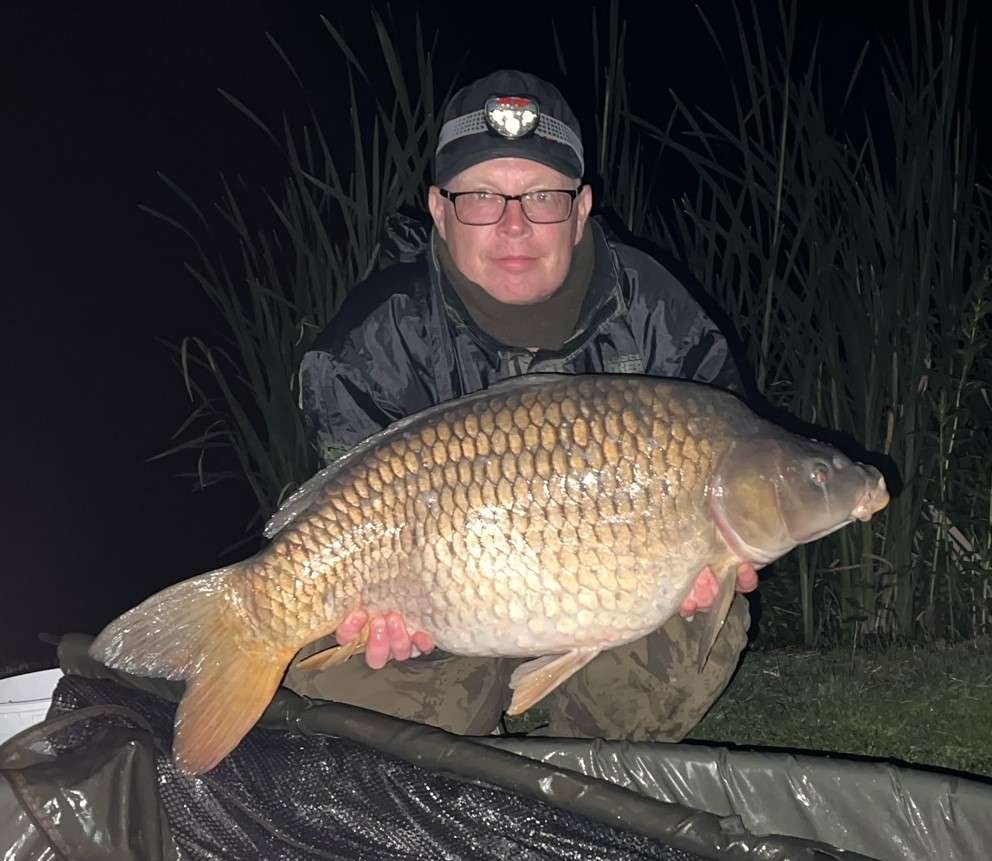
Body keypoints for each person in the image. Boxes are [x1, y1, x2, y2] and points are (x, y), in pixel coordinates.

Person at [282, 70, 757, 741]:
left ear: (581, 209)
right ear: (439, 210)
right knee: (338, 662)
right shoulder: (370, 342)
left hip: (609, 595)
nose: (514, 225)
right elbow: (341, 515)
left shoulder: (659, 316)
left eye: (542, 197)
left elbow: (741, 467)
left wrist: (720, 554)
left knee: (705, 614)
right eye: (482, 197)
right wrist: (379, 610)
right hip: (444, 603)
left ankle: (584, 765)